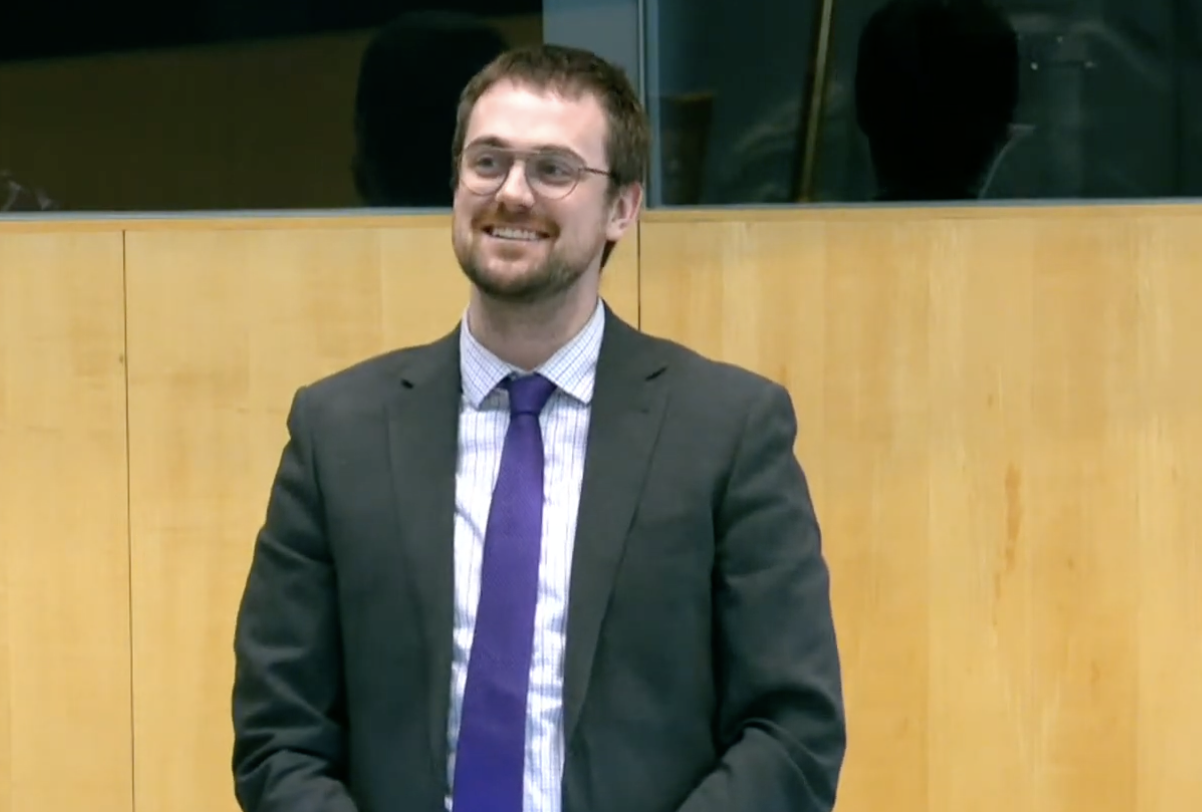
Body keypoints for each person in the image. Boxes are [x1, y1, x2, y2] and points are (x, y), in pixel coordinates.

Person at [231, 44, 846, 812]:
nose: (513, 193)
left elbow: (791, 731)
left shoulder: (728, 432)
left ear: (622, 207)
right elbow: (279, 737)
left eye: (554, 170)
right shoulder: (338, 434)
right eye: (488, 162)